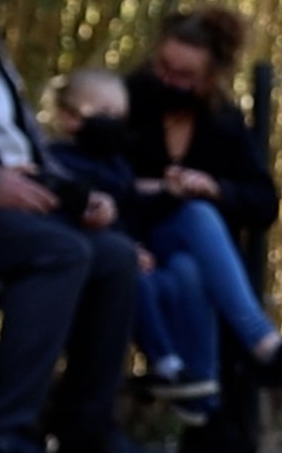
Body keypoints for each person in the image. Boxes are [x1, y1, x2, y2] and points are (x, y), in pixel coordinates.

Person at [0, 0, 172, 453]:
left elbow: (24, 151)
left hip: (14, 207)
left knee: (112, 254)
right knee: (61, 252)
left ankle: (86, 425)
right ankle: (1, 431)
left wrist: (78, 196)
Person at [121, 6, 282, 393]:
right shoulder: (124, 103)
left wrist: (215, 187)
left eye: (185, 75)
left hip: (189, 254)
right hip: (132, 235)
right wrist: (157, 189)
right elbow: (98, 181)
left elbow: (264, 202)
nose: (170, 81)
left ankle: (198, 393)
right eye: (164, 68)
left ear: (210, 77)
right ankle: (264, 343)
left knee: (191, 258)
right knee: (198, 217)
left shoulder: (224, 123)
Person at [43, 69, 222, 426]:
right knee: (131, 275)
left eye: (118, 116)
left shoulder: (118, 165)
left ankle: (199, 381)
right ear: (68, 117)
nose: (113, 124)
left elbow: (133, 211)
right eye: (103, 114)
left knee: (183, 271)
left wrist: (167, 196)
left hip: (132, 253)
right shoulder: (58, 161)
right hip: (98, 256)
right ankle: (166, 364)